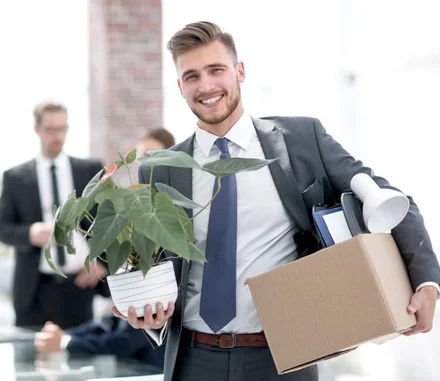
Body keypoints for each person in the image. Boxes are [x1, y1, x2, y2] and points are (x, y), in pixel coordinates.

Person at [111, 21, 440, 381]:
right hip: (193, 360)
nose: (205, 86)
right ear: (179, 86)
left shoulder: (300, 139)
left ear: (239, 71)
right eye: (191, 76)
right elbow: (148, 262)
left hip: (283, 358)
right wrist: (144, 311)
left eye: (216, 70)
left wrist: (426, 282)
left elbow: (389, 198)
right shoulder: (161, 170)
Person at [0, 101, 110, 330]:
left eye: (63, 128)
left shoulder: (90, 170)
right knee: (30, 362)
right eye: (51, 129)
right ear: (37, 129)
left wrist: (103, 264)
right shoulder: (15, 177)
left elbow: (111, 223)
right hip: (34, 290)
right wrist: (30, 233)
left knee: (81, 362)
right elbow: (2, 229)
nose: (58, 136)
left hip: (79, 288)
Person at [34, 311, 165, 370]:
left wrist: (65, 342)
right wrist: (62, 336)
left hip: (153, 373)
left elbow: (123, 343)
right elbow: (104, 324)